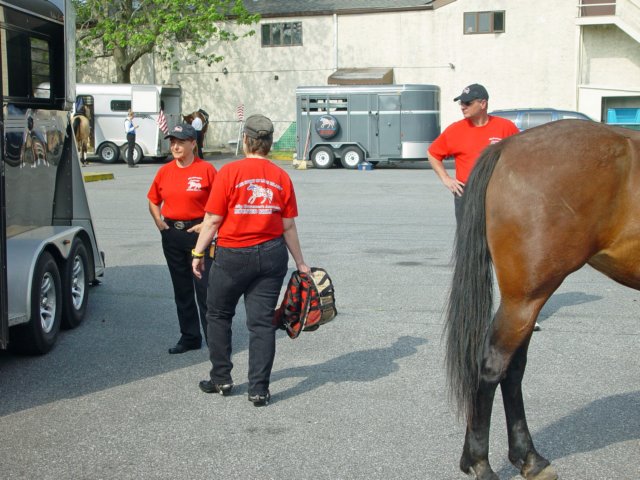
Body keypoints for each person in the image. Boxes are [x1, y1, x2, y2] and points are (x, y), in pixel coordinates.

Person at [192, 114, 310, 407]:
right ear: (269, 143)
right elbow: (288, 226)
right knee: (261, 323)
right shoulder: (282, 177)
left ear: (245, 139)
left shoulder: (229, 172)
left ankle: (221, 379)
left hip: (233, 255)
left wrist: (197, 253)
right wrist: (301, 263)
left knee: (218, 315)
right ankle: (258, 389)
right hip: (271, 256)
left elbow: (213, 220)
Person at [147, 123, 217, 354]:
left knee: (204, 289)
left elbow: (219, 204)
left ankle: (214, 340)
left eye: (181, 141)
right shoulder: (165, 171)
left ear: (193, 143)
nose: (175, 146)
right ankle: (189, 337)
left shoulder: (206, 170)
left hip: (199, 235)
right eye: (172, 141)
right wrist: (159, 221)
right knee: (182, 289)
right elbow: (153, 199)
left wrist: (206, 225)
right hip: (172, 234)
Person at [427, 83, 519, 225]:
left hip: (498, 193)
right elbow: (433, 153)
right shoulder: (455, 130)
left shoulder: (506, 127)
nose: (463, 106)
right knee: (469, 242)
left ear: (483, 104)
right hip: (467, 194)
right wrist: (446, 179)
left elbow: (519, 157)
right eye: (461, 103)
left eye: (467, 103)